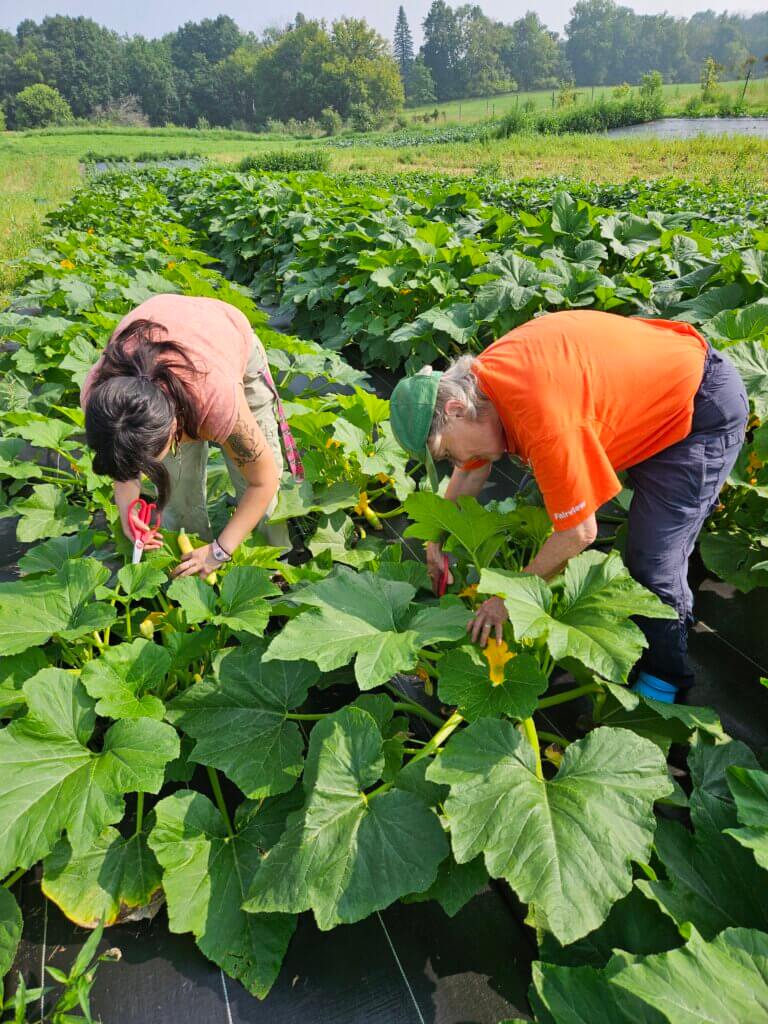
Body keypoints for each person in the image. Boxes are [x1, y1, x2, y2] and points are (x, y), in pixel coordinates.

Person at [389, 309, 748, 704]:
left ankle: (666, 680)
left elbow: (580, 532)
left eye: (445, 452)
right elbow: (472, 471)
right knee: (557, 500)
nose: (455, 463)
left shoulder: (543, 418)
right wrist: (437, 536)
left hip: (699, 411)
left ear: (456, 409)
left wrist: (509, 599)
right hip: (643, 398)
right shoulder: (482, 387)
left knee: (653, 562)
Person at [81, 293, 302, 579]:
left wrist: (219, 551)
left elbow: (263, 480)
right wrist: (128, 512)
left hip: (224, 336)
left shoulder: (218, 401)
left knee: (258, 491)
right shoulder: (100, 399)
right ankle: (191, 557)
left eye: (146, 464)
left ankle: (274, 567)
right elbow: (123, 461)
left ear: (173, 429)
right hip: (168, 326)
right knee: (176, 491)